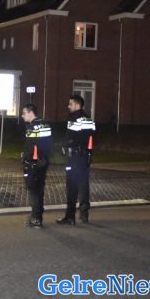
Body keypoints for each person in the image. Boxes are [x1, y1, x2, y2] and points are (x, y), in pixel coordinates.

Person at [56, 94, 96, 225]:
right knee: (84, 185)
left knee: (71, 185)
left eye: (71, 104)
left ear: (78, 105)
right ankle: (84, 214)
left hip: (74, 156)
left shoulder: (74, 118)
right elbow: (91, 137)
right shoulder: (88, 118)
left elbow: (70, 138)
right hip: (85, 156)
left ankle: (70, 216)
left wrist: (63, 147)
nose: (69, 106)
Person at [21, 103, 52, 229]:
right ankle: (38, 216)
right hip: (43, 162)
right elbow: (49, 144)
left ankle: (36, 219)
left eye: (24, 113)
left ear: (30, 112)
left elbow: (30, 147)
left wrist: (25, 159)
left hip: (33, 164)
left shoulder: (31, 127)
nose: (22, 116)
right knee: (39, 190)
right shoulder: (46, 125)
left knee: (33, 191)